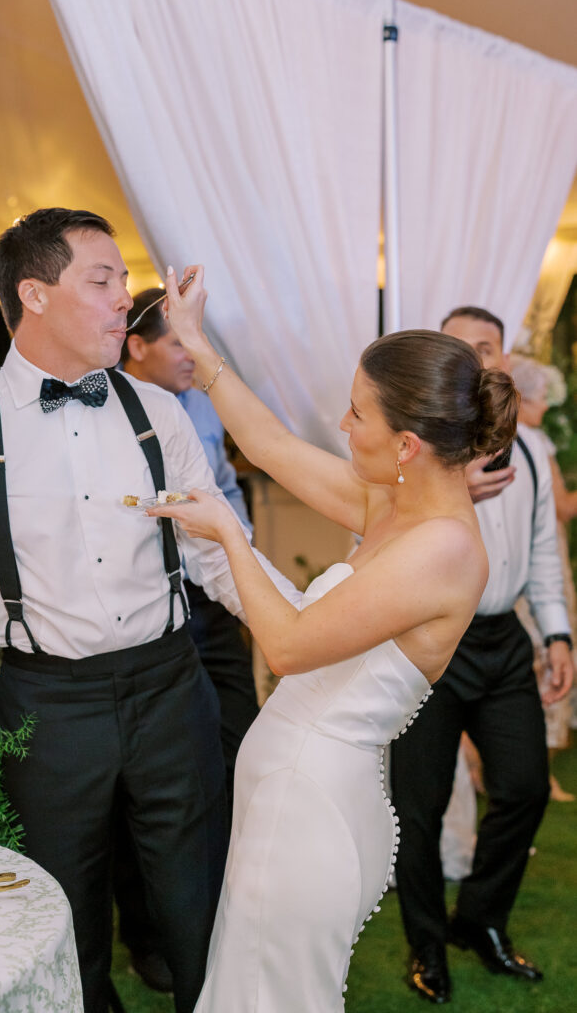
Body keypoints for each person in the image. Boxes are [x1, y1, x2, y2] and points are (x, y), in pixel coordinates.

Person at [0, 210, 301, 1013]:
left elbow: (219, 551)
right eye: (103, 280)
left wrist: (307, 630)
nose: (127, 301)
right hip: (48, 705)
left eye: (122, 281)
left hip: (170, 687)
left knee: (197, 904)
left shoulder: (159, 411)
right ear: (34, 294)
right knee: (61, 914)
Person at [146, 265, 518, 1013]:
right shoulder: (393, 506)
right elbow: (272, 445)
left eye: (356, 414)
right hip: (291, 787)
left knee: (274, 997)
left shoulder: (442, 548)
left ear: (407, 444)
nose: (343, 425)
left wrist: (228, 533)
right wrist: (195, 342)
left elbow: (286, 646)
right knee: (250, 988)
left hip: (308, 803)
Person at [391, 306, 574, 1004]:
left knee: (524, 787)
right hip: (431, 644)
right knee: (421, 806)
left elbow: (540, 557)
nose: (475, 359)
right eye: (458, 350)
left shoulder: (527, 450)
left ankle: (480, 921)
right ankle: (425, 944)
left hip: (501, 641)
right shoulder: (416, 451)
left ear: (501, 364)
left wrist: (555, 634)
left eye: (485, 348)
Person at [116, 289, 259, 992]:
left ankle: (217, 909)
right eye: (174, 341)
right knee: (145, 780)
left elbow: (228, 490)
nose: (187, 355)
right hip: (148, 619)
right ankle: (145, 933)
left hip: (215, 603)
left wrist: (246, 569)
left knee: (234, 751)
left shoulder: (197, 405)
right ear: (134, 344)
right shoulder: (105, 411)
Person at [509, 355, 575, 802]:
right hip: (539, 561)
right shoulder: (533, 442)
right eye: (542, 397)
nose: (546, 406)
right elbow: (562, 509)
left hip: (524, 565)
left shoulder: (518, 439)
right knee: (545, 665)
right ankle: (538, 774)